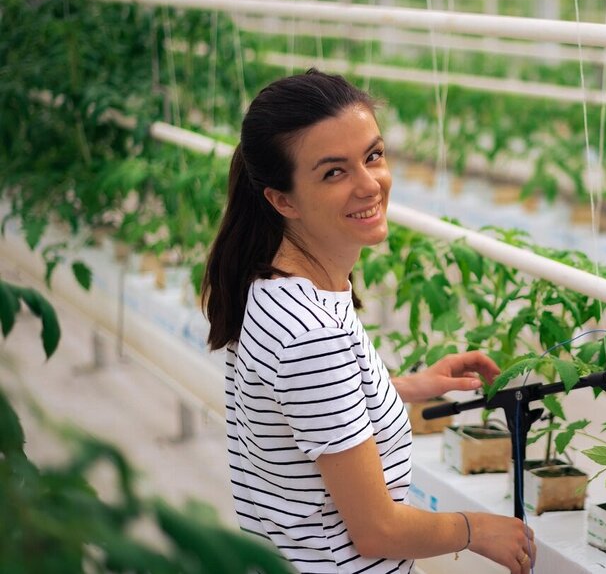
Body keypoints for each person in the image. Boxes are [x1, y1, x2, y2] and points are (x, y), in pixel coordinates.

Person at [202, 69, 536, 574]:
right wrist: (476, 528)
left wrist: (398, 386)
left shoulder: (273, 285)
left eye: (372, 156)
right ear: (282, 199)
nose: (369, 185)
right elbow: (377, 529)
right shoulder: (310, 333)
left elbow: (302, 409)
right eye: (334, 172)